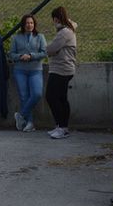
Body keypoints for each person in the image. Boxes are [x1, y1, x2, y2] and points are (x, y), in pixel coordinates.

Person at [8, 14, 47, 133]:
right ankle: (29, 123)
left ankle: (21, 115)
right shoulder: (16, 37)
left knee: (36, 94)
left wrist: (31, 56)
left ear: (34, 24)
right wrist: (20, 56)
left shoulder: (40, 37)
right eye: (27, 23)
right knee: (24, 97)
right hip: (20, 70)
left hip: (36, 70)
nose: (29, 25)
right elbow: (11, 54)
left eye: (31, 23)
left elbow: (44, 53)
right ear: (23, 25)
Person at [45, 7, 78, 139]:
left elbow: (52, 49)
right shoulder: (66, 30)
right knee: (61, 98)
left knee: (51, 97)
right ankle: (61, 126)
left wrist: (45, 47)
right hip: (64, 68)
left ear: (56, 18)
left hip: (61, 69)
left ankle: (62, 127)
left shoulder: (64, 32)